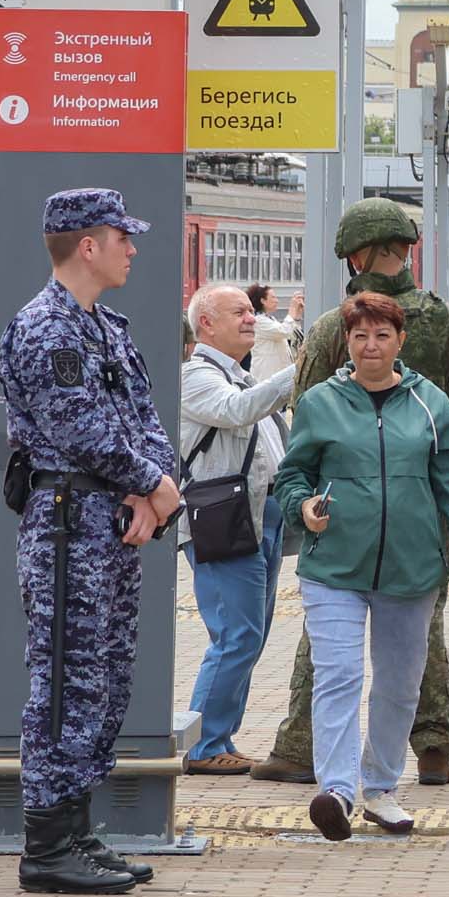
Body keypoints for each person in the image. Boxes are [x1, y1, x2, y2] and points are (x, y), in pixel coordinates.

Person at [254, 198, 449, 788]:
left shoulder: (339, 324)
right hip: (427, 499)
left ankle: (299, 745)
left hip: (345, 508)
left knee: (329, 637)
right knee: (418, 635)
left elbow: (306, 404)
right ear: (406, 248)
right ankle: (434, 745)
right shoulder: (446, 318)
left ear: (356, 254)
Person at [1, 189, 180, 894]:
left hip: (108, 518)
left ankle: (76, 832)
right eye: (121, 237)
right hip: (69, 524)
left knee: (102, 677)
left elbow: (142, 416)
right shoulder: (48, 329)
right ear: (87, 246)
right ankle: (46, 848)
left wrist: (153, 487)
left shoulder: (103, 324)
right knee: (63, 682)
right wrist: (151, 485)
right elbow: (81, 431)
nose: (132, 248)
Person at [179, 284, 295, 775]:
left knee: (251, 634)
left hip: (257, 517)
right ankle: (203, 744)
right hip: (221, 520)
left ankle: (219, 735)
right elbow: (235, 414)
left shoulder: (241, 377)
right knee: (236, 634)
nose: (252, 318)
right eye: (239, 312)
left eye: (252, 311)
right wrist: (300, 369)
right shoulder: (197, 378)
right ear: (206, 324)